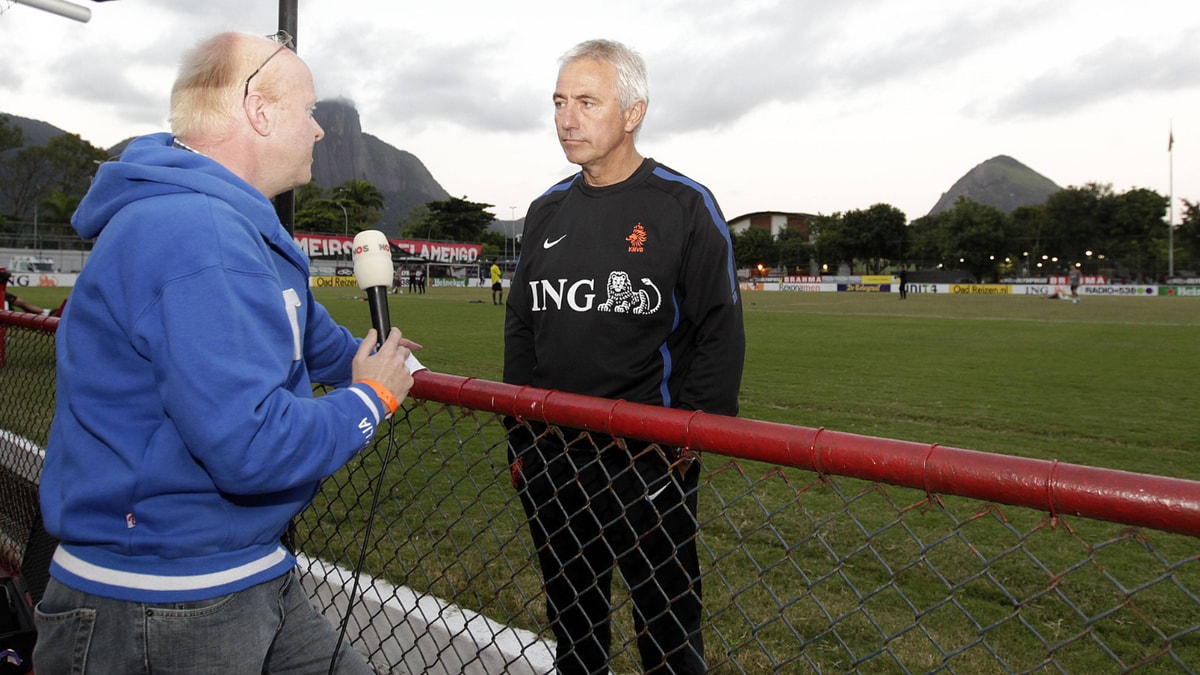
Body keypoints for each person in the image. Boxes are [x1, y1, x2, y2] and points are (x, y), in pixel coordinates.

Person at [34, 31, 421, 674]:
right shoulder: (198, 232)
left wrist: (380, 356)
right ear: (260, 110)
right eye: (309, 110)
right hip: (162, 601)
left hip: (243, 569)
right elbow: (254, 447)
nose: (320, 131)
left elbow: (315, 341)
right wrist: (372, 397)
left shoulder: (236, 224)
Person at [504, 39, 745, 674]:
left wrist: (689, 437)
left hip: (648, 463)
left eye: (586, 101)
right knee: (576, 636)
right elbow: (522, 329)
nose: (566, 118)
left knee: (667, 638)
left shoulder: (684, 206)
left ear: (633, 112)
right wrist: (521, 440)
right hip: (554, 461)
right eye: (559, 102)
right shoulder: (545, 210)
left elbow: (718, 328)